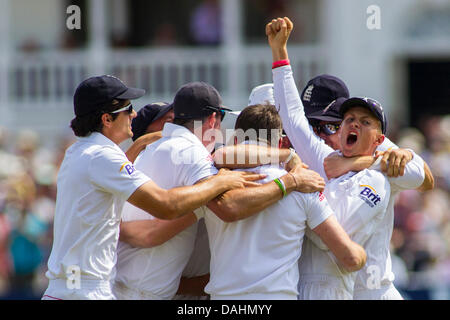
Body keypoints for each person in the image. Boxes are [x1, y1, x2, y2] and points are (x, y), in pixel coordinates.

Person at [42, 75, 262, 300]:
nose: (134, 114)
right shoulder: (102, 156)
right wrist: (220, 182)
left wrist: (140, 144)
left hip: (70, 287)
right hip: (83, 291)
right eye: (128, 108)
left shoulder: (79, 151)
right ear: (107, 119)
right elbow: (165, 205)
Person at [267, 17, 432, 299]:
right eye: (349, 119)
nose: (354, 124)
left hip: (374, 291)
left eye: (365, 122)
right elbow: (293, 118)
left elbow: (422, 176)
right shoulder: (325, 156)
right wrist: (279, 51)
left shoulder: (381, 174)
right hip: (337, 290)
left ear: (380, 140)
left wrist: (358, 162)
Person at [114, 81, 325, 300]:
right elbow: (229, 207)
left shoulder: (150, 150)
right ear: (213, 119)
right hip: (140, 293)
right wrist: (289, 179)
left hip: (123, 283)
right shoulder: (194, 155)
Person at [203, 103, 366, 300]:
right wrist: (363, 255)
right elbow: (350, 258)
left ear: (236, 140)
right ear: (280, 143)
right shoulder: (305, 185)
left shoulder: (212, 182)